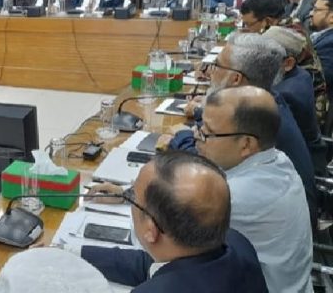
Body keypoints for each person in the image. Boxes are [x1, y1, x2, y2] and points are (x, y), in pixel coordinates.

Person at [91, 88, 312, 293]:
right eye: (200, 127)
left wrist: (138, 198)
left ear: (246, 144)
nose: (196, 136)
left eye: (208, 133)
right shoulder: (276, 160)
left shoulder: (232, 195)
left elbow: (154, 243)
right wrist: (130, 194)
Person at [165, 33, 316, 226]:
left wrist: (181, 138)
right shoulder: (268, 103)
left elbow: (206, 167)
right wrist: (201, 114)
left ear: (236, 78)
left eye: (217, 65)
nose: (210, 72)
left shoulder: (261, 125)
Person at [82, 151, 268, 293]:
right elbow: (148, 265)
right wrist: (75, 254)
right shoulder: (236, 243)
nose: (128, 198)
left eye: (132, 197)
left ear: (151, 230)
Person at [239, 0, 328, 125]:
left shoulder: (280, 38)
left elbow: (252, 71)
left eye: (249, 24)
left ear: (267, 21)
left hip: (304, 113)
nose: (247, 29)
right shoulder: (289, 22)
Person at [263, 26, 328, 173]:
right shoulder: (300, 74)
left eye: (264, 58)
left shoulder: (284, 96)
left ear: (288, 63)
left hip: (300, 169)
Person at [311, 0, 333, 105]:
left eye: (316, 10)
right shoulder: (324, 36)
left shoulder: (329, 43)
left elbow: (319, 79)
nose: (311, 13)